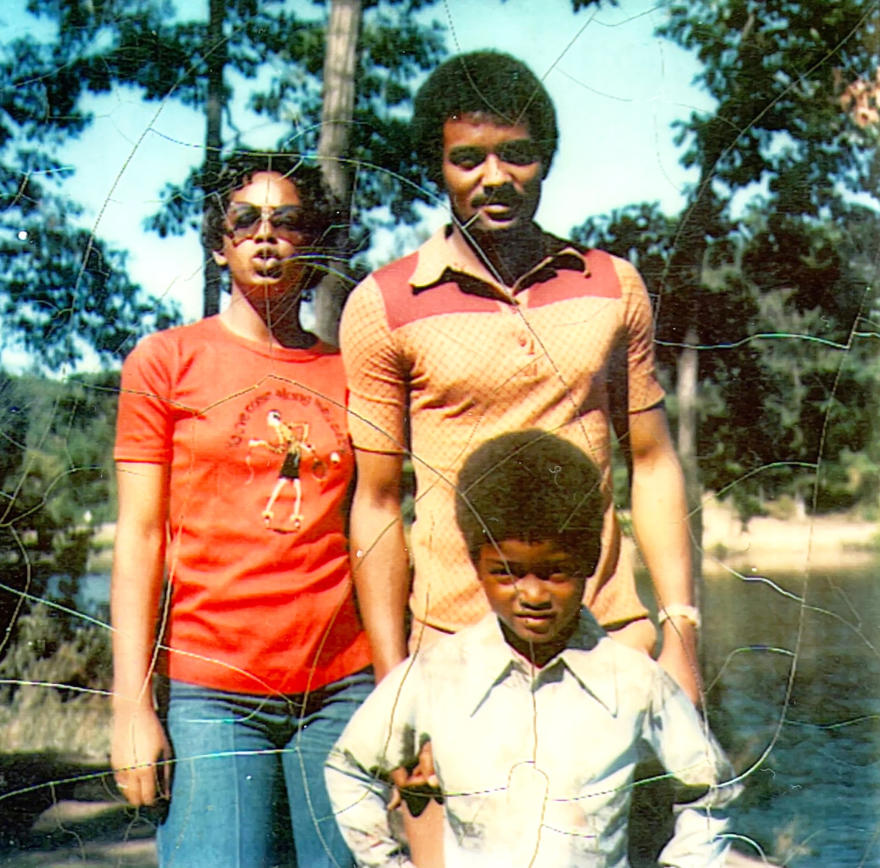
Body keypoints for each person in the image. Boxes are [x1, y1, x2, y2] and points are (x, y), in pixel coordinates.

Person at [340, 50, 701, 702]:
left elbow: (652, 463)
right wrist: (393, 681)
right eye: (467, 158)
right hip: (452, 650)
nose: (495, 177)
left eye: (518, 154)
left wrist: (680, 632)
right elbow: (377, 503)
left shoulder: (612, 284)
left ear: (548, 159)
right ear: (436, 165)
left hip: (608, 640)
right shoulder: (383, 304)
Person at [110, 153, 373, 867]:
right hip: (213, 694)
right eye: (245, 220)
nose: (265, 236)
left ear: (312, 242)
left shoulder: (349, 372)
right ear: (219, 242)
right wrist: (131, 706)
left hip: (342, 690)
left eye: (286, 222)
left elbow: (374, 526)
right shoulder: (165, 362)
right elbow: (139, 539)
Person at [325, 431, 739, 867]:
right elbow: (350, 768)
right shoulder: (436, 674)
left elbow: (712, 786)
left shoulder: (635, 680)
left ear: (589, 561)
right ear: (476, 566)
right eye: (507, 574)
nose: (533, 594)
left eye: (555, 572)